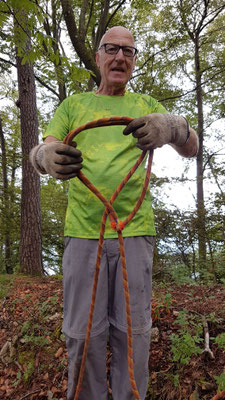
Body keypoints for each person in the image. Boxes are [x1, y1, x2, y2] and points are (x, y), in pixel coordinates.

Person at [30, 26, 199, 400]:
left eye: (128, 51)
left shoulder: (145, 104)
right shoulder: (74, 106)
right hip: (82, 236)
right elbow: (47, 147)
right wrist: (45, 157)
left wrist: (170, 126)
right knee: (82, 333)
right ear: (98, 57)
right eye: (111, 49)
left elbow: (192, 147)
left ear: (135, 60)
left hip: (134, 233)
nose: (120, 57)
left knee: (133, 333)